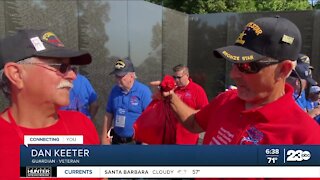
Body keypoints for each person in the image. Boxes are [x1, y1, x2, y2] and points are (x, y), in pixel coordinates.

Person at [152, 16, 320, 149]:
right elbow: (194, 122)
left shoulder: (306, 138)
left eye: (247, 65)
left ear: (283, 69)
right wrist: (171, 96)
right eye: (234, 63)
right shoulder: (226, 100)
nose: (233, 74)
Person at [0, 29, 100, 179]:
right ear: (16, 74)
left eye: (72, 68)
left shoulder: (82, 124)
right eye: (62, 67)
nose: (72, 76)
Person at [101, 57, 152, 144]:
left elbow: (150, 118)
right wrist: (104, 138)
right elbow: (108, 115)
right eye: (116, 76)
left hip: (136, 143)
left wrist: (146, 141)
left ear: (131, 76)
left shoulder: (144, 91)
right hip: (117, 141)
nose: (117, 79)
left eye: (121, 76)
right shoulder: (114, 91)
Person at [172, 64, 208, 144]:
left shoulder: (197, 90)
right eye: (174, 77)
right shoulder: (173, 90)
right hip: (172, 136)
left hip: (188, 136)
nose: (176, 80)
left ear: (187, 76)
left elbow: (204, 112)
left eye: (179, 77)